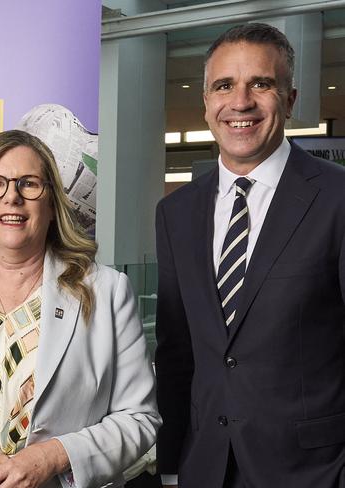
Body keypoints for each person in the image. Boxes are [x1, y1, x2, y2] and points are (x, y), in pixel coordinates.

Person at [0, 129, 160, 488]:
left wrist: (52, 456)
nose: (12, 197)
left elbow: (139, 418)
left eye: (29, 184)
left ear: (51, 204)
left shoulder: (107, 292)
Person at [155, 23, 345, 488]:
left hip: (314, 473)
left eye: (260, 84)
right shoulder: (175, 212)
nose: (240, 102)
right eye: (224, 86)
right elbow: (178, 353)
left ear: (290, 99)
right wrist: (171, 466)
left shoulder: (338, 198)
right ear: (206, 103)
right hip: (206, 467)